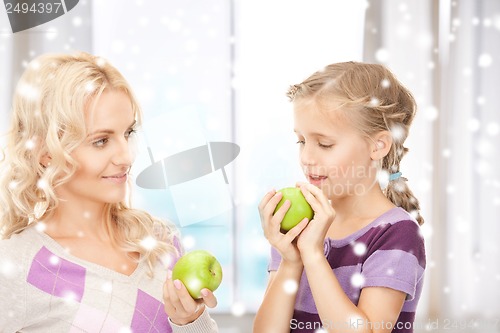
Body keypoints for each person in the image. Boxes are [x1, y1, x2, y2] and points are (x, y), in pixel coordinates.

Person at [0, 52, 218, 332]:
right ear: (46, 152)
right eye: (101, 141)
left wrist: (191, 321)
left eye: (127, 134)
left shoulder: (160, 242)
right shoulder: (15, 265)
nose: (125, 156)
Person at [254, 62, 426, 333]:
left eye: (325, 144)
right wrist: (291, 260)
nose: (307, 158)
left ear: (378, 145)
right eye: (301, 141)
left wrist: (312, 255)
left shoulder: (398, 234)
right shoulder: (299, 225)